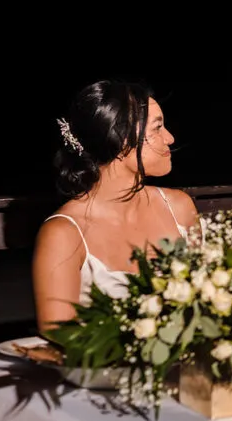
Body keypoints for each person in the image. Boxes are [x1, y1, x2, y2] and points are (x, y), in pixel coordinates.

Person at [32, 80, 198, 333]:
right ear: (120, 139)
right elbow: (58, 333)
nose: (170, 138)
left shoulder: (179, 207)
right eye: (157, 128)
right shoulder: (63, 234)